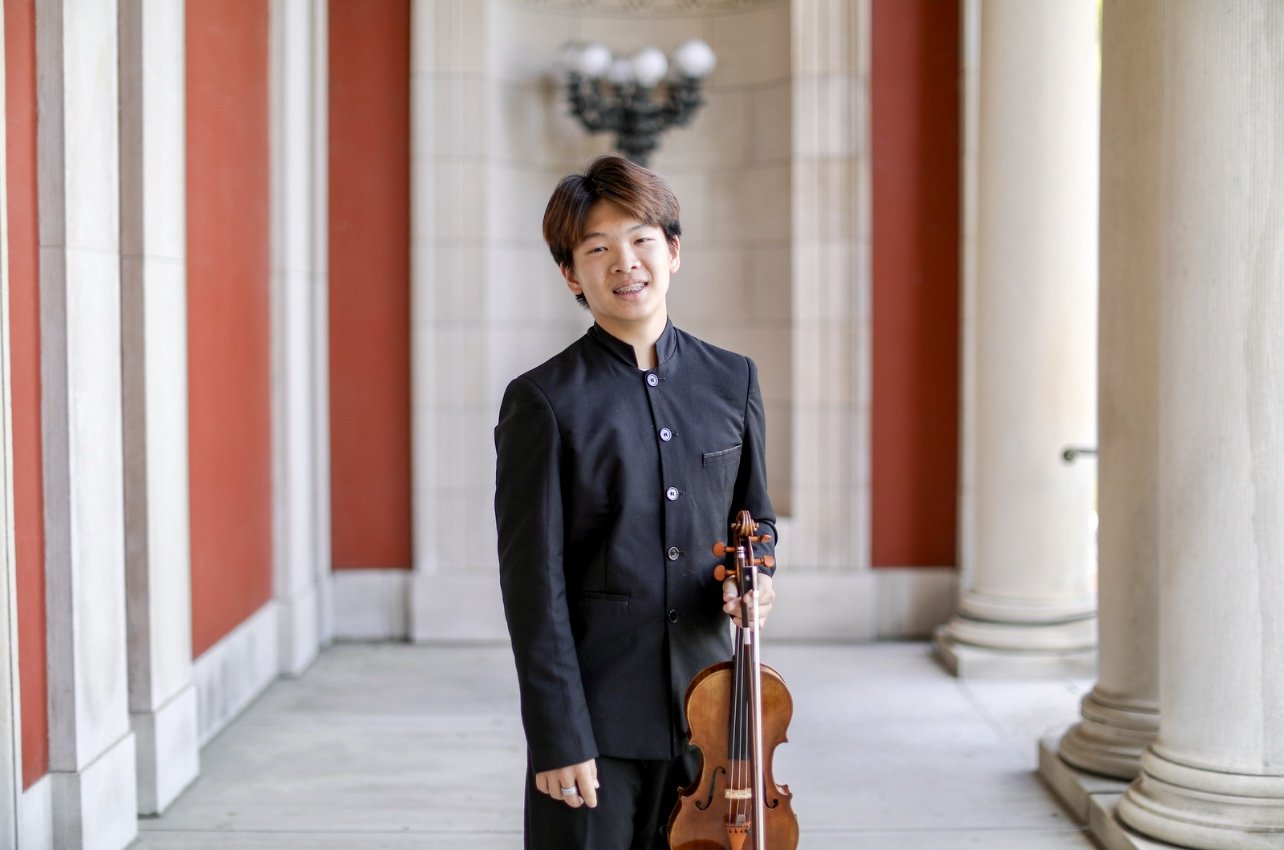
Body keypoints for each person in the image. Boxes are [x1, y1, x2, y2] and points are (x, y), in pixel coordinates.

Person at [494, 154, 778, 850]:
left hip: (713, 720)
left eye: (641, 240)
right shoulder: (542, 401)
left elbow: (756, 519)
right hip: (596, 727)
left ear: (672, 251)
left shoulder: (733, 379)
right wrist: (558, 735)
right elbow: (533, 587)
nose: (625, 263)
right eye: (597, 249)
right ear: (572, 274)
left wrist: (758, 578)